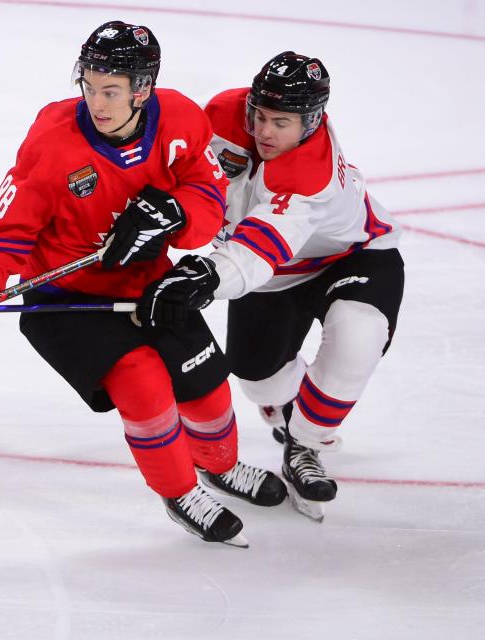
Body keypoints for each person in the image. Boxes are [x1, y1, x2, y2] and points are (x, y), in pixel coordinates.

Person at [0, 21, 285, 547]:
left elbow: (208, 196)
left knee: (206, 385)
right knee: (142, 381)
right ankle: (180, 491)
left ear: (142, 90)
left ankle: (221, 466)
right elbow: (9, 225)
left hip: (149, 285)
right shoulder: (54, 141)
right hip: (66, 300)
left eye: (112, 91)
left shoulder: (182, 119)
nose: (97, 102)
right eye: (91, 86)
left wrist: (174, 212)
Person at [138, 51, 404, 521]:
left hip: (353, 257)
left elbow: (262, 244)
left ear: (313, 120)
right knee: (257, 379)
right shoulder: (222, 113)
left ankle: (304, 445)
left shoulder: (311, 174)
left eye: (280, 122)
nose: (263, 131)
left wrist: (208, 276)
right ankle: (288, 409)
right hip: (273, 278)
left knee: (357, 335)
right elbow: (176, 167)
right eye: (259, 115)